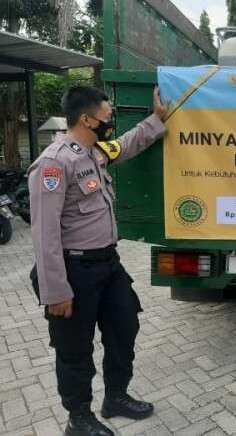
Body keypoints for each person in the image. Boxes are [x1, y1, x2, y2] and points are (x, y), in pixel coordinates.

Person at [28, 86, 168, 436]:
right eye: (107, 118)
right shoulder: (54, 163)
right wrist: (55, 291)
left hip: (108, 265)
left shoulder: (93, 153)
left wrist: (156, 119)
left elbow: (128, 143)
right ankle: (78, 418)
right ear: (87, 119)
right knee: (74, 348)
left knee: (124, 328)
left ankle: (116, 397)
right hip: (74, 272)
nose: (111, 123)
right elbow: (45, 236)